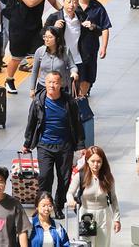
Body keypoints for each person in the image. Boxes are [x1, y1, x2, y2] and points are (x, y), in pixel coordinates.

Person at [23, 72, 86, 218]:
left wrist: (81, 144)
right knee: (45, 177)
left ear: (61, 84)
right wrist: (27, 143)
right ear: (45, 83)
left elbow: (77, 124)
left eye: (56, 82)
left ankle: (58, 207)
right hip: (45, 145)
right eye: (50, 82)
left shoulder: (69, 102)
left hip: (65, 146)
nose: (52, 85)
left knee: (64, 179)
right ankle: (43, 206)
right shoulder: (38, 101)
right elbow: (31, 123)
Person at [6, 0, 60, 95]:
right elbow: (30, 3)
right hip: (19, 26)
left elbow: (54, 1)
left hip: (35, 27)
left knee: (42, 55)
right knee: (16, 57)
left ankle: (42, 82)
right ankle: (9, 80)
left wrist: (64, 11)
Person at [59, 0, 112, 96]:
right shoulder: (72, 6)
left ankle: (82, 95)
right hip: (72, 49)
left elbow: (105, 28)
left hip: (90, 48)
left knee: (88, 76)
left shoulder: (98, 7)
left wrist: (104, 47)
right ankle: (75, 97)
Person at [66, 147, 120, 247]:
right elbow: (70, 193)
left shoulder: (107, 177)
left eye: (99, 161)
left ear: (103, 162)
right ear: (87, 160)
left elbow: (113, 198)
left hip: (103, 215)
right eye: (93, 161)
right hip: (86, 215)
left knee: (103, 244)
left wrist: (116, 219)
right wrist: (71, 200)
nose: (96, 164)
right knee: (86, 244)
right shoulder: (80, 175)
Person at [28, 26, 79, 98]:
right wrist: (32, 89)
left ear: (57, 39)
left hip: (61, 87)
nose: (46, 39)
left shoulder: (65, 51)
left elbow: (72, 66)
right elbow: (35, 71)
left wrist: (74, 72)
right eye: (45, 37)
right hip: (43, 87)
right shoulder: (40, 51)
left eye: (50, 37)